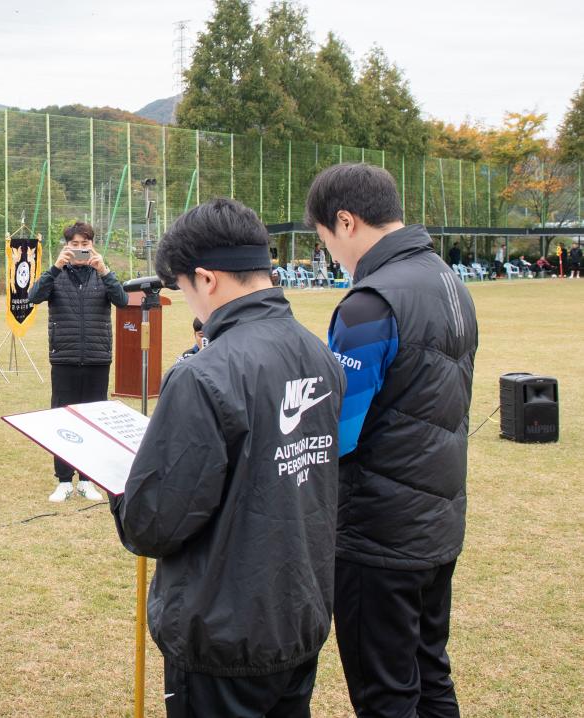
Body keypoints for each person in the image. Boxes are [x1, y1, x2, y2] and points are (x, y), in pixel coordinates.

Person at [112, 198, 344, 717]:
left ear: (206, 279)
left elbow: (153, 523)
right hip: (297, 616)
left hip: (223, 632)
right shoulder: (318, 353)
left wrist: (122, 485)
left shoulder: (204, 374)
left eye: (184, 289)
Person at [305, 163, 477, 718]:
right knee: (431, 675)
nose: (330, 253)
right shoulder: (449, 279)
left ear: (345, 221)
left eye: (325, 239)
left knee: (386, 694)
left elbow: (339, 433)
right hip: (437, 521)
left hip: (378, 535)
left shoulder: (369, 302)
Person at [28, 220, 129, 503]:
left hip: (97, 357)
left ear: (92, 245)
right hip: (65, 357)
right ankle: (63, 480)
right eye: (75, 245)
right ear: (66, 246)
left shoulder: (102, 273)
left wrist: (105, 270)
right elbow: (34, 296)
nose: (80, 249)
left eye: (85, 244)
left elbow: (122, 301)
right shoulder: (56, 274)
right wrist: (55, 267)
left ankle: (87, 479)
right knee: (63, 421)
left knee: (93, 421)